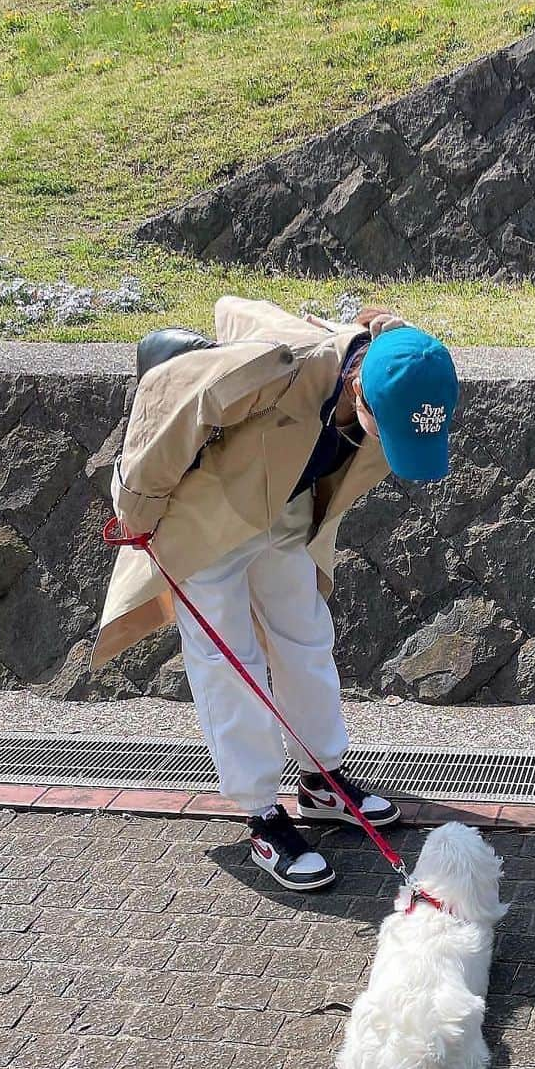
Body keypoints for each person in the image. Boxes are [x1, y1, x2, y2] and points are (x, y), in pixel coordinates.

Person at [90, 296, 459, 892]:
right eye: (385, 431)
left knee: (305, 636)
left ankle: (322, 778)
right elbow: (171, 405)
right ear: (358, 391)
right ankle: (262, 812)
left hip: (283, 513)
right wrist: (134, 508)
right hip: (206, 519)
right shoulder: (276, 368)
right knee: (230, 662)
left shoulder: (403, 368)